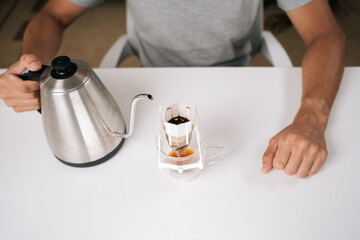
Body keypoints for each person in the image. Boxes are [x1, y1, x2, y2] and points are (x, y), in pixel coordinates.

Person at [0, 0, 346, 178]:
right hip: (154, 91)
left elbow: (326, 34)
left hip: (238, 86)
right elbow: (52, 16)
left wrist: (312, 118)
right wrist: (33, 65)